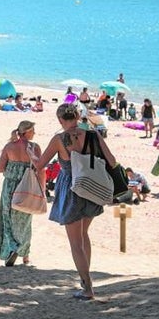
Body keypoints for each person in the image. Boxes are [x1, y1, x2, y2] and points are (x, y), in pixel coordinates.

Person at [33, 103, 117, 300]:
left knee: (75, 242)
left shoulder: (59, 139)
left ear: (61, 120)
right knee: (84, 235)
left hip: (72, 189)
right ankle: (85, 280)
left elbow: (40, 165)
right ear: (78, 116)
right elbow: (112, 160)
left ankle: (87, 288)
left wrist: (32, 156)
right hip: (92, 188)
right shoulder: (93, 135)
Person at [0, 120, 42, 267]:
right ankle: (25, 256)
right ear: (27, 132)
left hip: (10, 186)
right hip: (27, 186)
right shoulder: (34, 147)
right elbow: (40, 168)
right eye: (33, 131)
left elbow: (0, 168)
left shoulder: (9, 147)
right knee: (25, 220)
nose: (34, 133)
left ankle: (10, 251)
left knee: (8, 220)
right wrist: (42, 189)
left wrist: (12, 166)